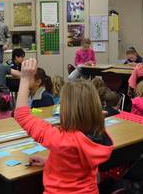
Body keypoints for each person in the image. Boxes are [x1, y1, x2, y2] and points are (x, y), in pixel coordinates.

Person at [15, 58, 113, 193]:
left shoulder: (61, 140)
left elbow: (22, 116)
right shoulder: (100, 135)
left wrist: (25, 79)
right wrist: (51, 160)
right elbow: (74, 160)